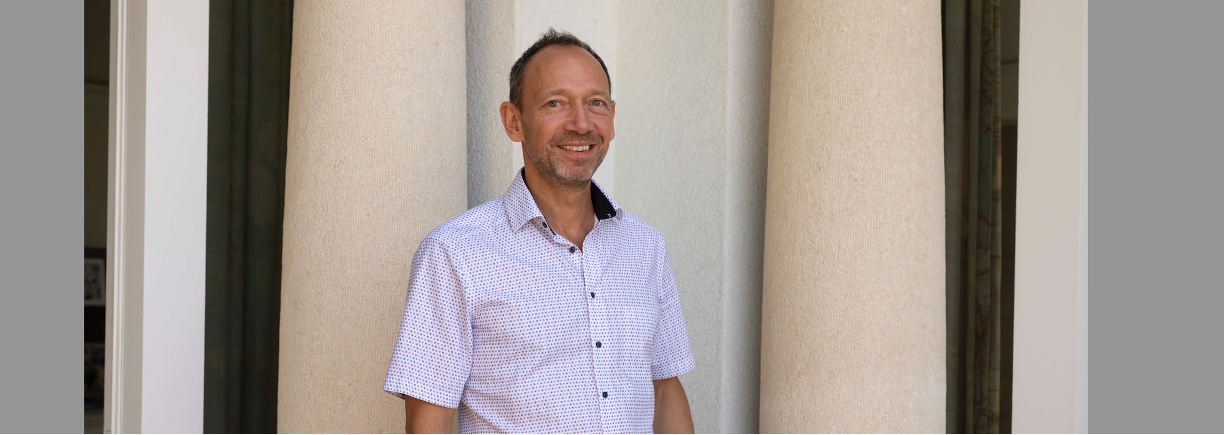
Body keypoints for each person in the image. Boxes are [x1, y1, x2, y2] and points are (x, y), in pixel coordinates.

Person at [384, 29, 695, 434]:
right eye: (555, 103)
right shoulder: (454, 252)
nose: (581, 123)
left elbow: (665, 391)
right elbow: (431, 419)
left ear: (612, 117)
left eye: (595, 103)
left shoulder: (646, 245)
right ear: (514, 122)